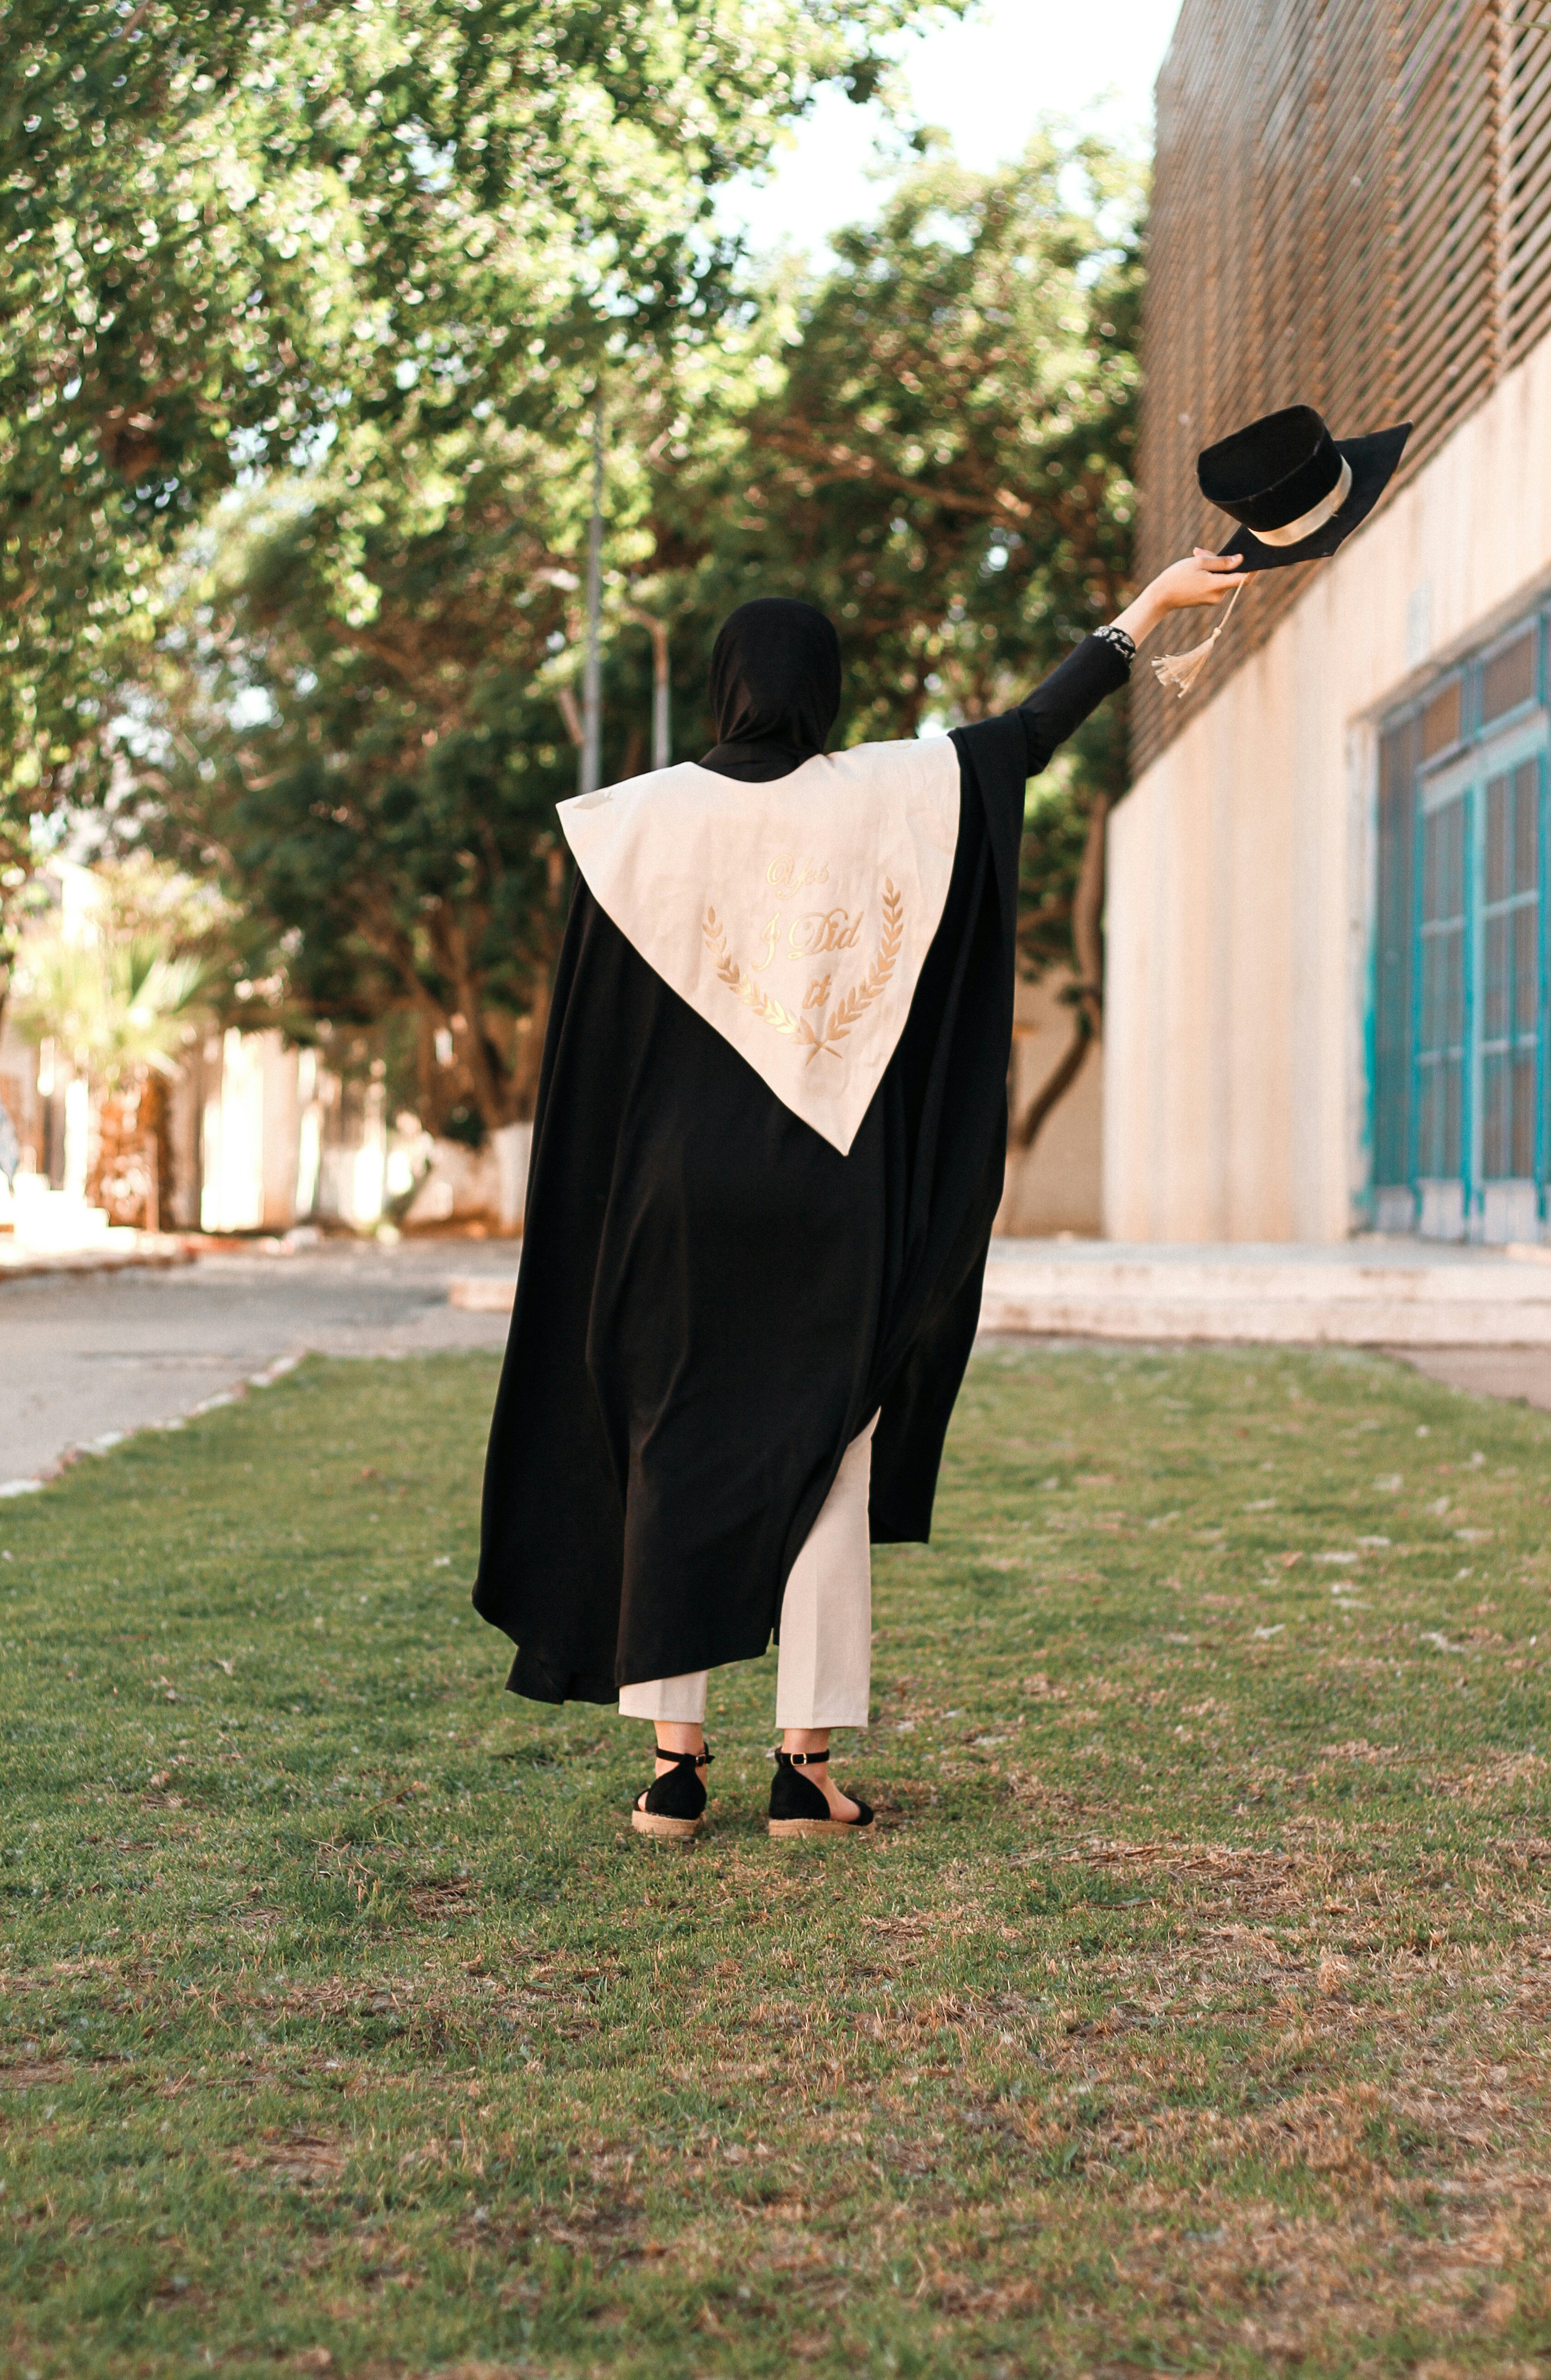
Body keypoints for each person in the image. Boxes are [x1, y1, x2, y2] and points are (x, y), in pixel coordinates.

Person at [472, 546, 1244, 1839]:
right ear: (822, 691)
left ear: (723, 689)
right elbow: (1032, 732)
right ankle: (804, 1769)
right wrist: (1146, 609)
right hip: (832, 1202)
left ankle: (673, 1769)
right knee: (831, 1454)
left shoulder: (637, 821)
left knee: (673, 1445)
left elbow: (593, 1058)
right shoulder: (897, 792)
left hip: (677, 1207)